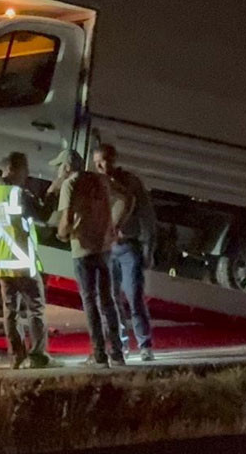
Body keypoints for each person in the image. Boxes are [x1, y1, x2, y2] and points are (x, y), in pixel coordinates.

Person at [48, 149, 124, 367]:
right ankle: (118, 353)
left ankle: (99, 355)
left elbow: (66, 219)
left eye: (59, 167)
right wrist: (114, 225)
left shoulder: (70, 184)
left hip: (82, 250)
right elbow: (127, 197)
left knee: (90, 302)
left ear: (66, 167)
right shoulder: (100, 180)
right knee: (108, 300)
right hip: (104, 248)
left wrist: (62, 234)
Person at [0, 152, 53, 369]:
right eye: (25, 170)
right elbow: (44, 214)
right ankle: (38, 357)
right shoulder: (18, 194)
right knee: (36, 310)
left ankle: (16, 357)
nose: (27, 175)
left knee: (10, 312)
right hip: (22, 263)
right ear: (14, 169)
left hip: (1, 263)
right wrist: (52, 190)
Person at [94, 144, 156, 361]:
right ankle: (121, 344)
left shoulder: (129, 182)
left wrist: (148, 247)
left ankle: (145, 344)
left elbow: (146, 214)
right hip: (107, 249)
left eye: (105, 160)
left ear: (114, 159)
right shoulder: (96, 184)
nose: (102, 166)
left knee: (134, 296)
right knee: (112, 299)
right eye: (98, 162)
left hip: (129, 246)